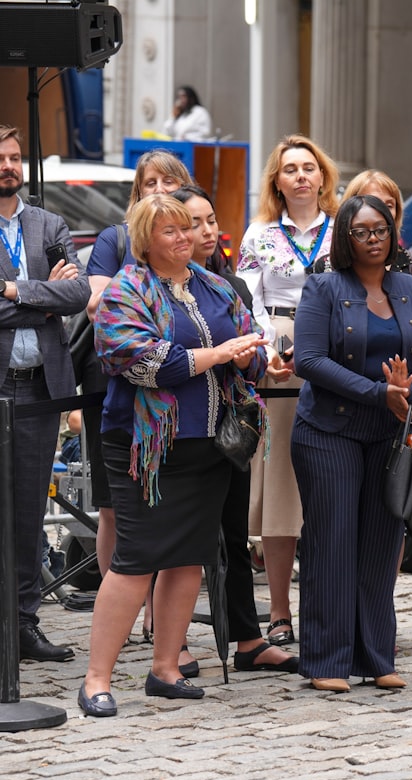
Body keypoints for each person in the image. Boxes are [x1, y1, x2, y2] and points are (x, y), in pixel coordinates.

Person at [79, 195, 267, 717]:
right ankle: (96, 678)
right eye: (170, 232)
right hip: (146, 447)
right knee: (137, 560)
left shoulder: (214, 285)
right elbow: (139, 361)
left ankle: (165, 670)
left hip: (209, 445)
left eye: (188, 229)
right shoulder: (126, 291)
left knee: (190, 557)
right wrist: (221, 354)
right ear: (144, 239)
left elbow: (248, 333)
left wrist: (254, 358)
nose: (184, 239)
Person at [290, 194, 412, 693]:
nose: (373, 239)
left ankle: (377, 656)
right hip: (327, 432)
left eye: (381, 229)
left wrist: (408, 394)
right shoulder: (324, 287)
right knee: (332, 543)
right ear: (345, 236)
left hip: (389, 434)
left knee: (381, 545)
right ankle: (326, 660)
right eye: (362, 231)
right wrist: (383, 394)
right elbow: (308, 360)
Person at [172, 185, 299, 676]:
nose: (205, 231)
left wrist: (262, 360)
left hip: (231, 426)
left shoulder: (231, 287)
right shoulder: (157, 286)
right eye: (193, 222)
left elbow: (254, 343)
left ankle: (247, 637)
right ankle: (174, 641)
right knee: (182, 540)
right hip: (181, 429)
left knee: (234, 531)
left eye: (209, 221)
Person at [84, 148, 193, 655]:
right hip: (127, 400)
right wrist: (197, 353)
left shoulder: (194, 255)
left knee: (176, 530)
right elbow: (100, 306)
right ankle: (121, 618)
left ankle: (164, 633)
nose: (159, 191)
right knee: (116, 512)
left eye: (169, 182)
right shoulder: (115, 242)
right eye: (150, 182)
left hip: (186, 415)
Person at [237, 135, 339, 649]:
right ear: (276, 180)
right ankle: (279, 611)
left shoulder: (343, 228)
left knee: (330, 482)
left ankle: (326, 607)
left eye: (308, 167)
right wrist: (264, 347)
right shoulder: (259, 233)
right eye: (289, 169)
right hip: (278, 351)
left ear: (323, 176)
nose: (300, 176)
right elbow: (245, 298)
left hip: (336, 350)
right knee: (280, 484)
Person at [0, 124, 89, 662]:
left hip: (38, 393)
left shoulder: (49, 223)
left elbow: (77, 293)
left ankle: (25, 625)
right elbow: (57, 297)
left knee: (31, 510)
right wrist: (44, 297)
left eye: (13, 157)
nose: (8, 166)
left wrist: (12, 288)